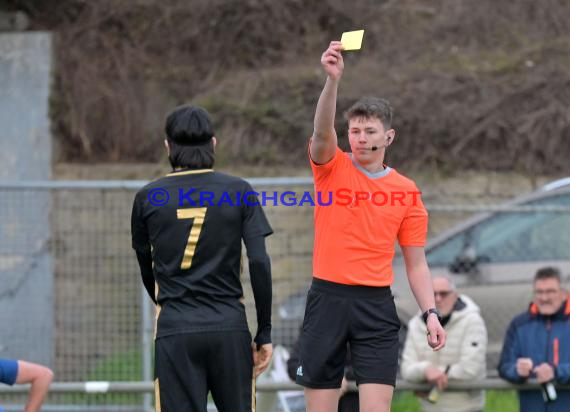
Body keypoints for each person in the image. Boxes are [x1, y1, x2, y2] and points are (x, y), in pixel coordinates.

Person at [294, 40, 446, 412]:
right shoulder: (332, 166)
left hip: (375, 304)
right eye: (356, 131)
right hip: (327, 299)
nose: (361, 138)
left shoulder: (406, 191)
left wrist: (431, 313)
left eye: (370, 131)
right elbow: (321, 132)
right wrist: (332, 81)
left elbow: (416, 262)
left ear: (388, 137)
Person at [131, 105, 274, 412]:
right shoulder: (238, 190)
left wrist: (166, 304)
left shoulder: (148, 197)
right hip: (228, 326)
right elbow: (259, 261)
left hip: (176, 327)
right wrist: (264, 330)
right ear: (214, 143)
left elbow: (146, 265)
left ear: (168, 145)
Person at [401, 276, 487, 412]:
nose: (438, 298)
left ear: (455, 296)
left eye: (443, 293)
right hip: (430, 408)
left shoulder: (473, 321)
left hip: (467, 408)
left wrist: (431, 374)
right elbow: (406, 369)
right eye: (433, 294)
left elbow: (471, 369)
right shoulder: (415, 324)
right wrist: (425, 369)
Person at [498, 267, 570, 412]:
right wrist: (518, 371)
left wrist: (557, 372)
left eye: (550, 292)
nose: (544, 298)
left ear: (563, 294)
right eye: (539, 292)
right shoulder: (519, 324)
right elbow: (504, 366)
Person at [287, 329, 359, 411]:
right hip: (320, 401)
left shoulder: (361, 323)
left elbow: (372, 362)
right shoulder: (312, 325)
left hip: (353, 400)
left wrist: (345, 375)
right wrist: (323, 375)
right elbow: (293, 366)